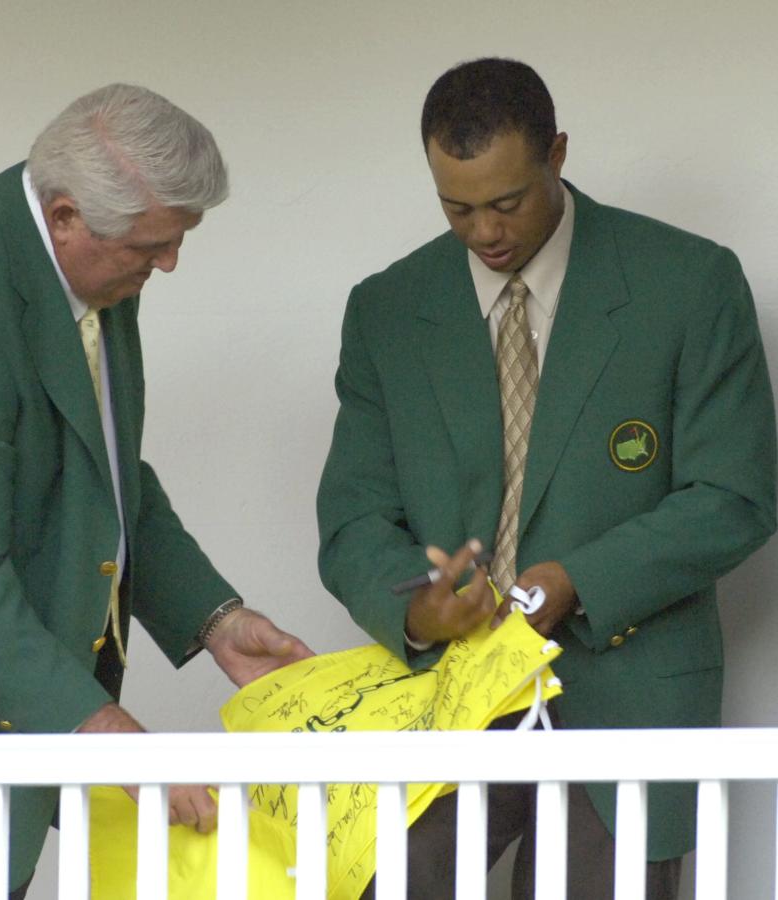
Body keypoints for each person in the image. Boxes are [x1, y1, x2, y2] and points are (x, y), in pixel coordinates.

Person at [0, 83, 312, 898]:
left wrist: (215, 619)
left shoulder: (85, 266)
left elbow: (103, 470)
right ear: (64, 215)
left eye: (178, 240)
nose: (170, 263)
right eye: (151, 246)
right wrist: (106, 731)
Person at [317, 57, 776, 898]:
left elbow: (735, 496)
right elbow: (352, 520)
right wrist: (416, 608)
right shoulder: (385, 308)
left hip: (628, 695)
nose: (483, 232)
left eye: (506, 202)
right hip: (446, 695)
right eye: (455, 208)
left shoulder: (689, 282)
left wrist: (579, 579)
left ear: (557, 153)